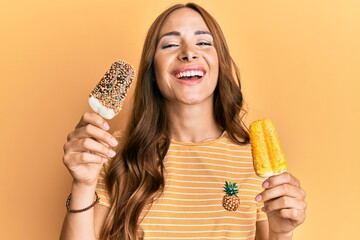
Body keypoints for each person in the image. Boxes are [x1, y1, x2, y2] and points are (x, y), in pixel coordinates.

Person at [60, 3, 306, 240]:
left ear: (219, 63)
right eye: (171, 44)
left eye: (203, 42)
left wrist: (281, 233)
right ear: (152, 71)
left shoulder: (252, 158)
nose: (189, 53)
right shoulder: (112, 150)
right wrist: (82, 184)